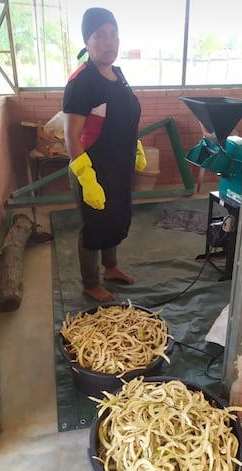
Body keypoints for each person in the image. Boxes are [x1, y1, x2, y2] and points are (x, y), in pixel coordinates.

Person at [63, 7, 146, 303]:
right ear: (87, 40)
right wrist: (87, 178)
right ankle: (89, 282)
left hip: (119, 164)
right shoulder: (81, 82)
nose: (109, 42)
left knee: (115, 215)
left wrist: (134, 146)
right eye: (100, 35)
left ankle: (111, 268)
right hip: (92, 166)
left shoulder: (117, 74)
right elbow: (71, 135)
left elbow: (125, 114)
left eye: (114, 34)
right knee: (94, 223)